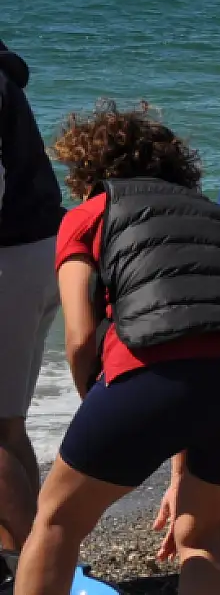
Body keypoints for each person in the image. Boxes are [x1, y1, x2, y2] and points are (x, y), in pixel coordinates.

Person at [16, 101, 220, 595]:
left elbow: (80, 338)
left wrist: (103, 412)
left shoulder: (88, 213)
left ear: (87, 170)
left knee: (57, 522)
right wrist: (178, 472)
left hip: (152, 374)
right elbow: (210, 336)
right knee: (203, 534)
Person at [0, 40, 64, 557]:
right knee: (7, 423)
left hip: (11, 258)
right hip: (42, 251)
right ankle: (24, 556)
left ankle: (39, 568)